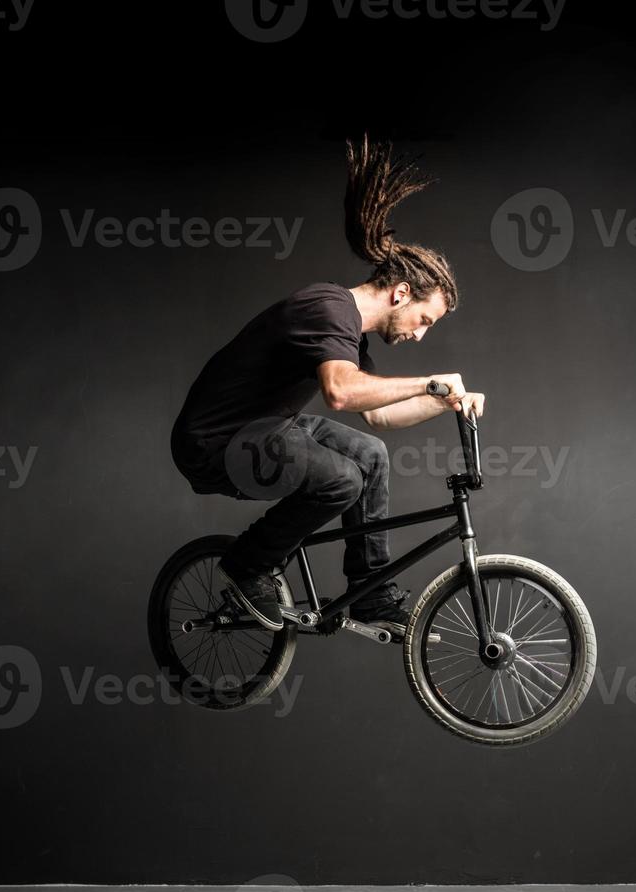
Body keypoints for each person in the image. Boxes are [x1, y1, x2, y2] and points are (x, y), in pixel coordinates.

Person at [169, 134, 485, 635]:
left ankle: (371, 596)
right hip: (215, 443)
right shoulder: (327, 308)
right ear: (402, 293)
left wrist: (445, 401)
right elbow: (342, 392)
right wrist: (429, 381)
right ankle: (248, 564)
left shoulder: (350, 333)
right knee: (341, 478)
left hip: (267, 428)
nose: (420, 335)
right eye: (424, 319)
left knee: (371, 454)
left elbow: (379, 414)